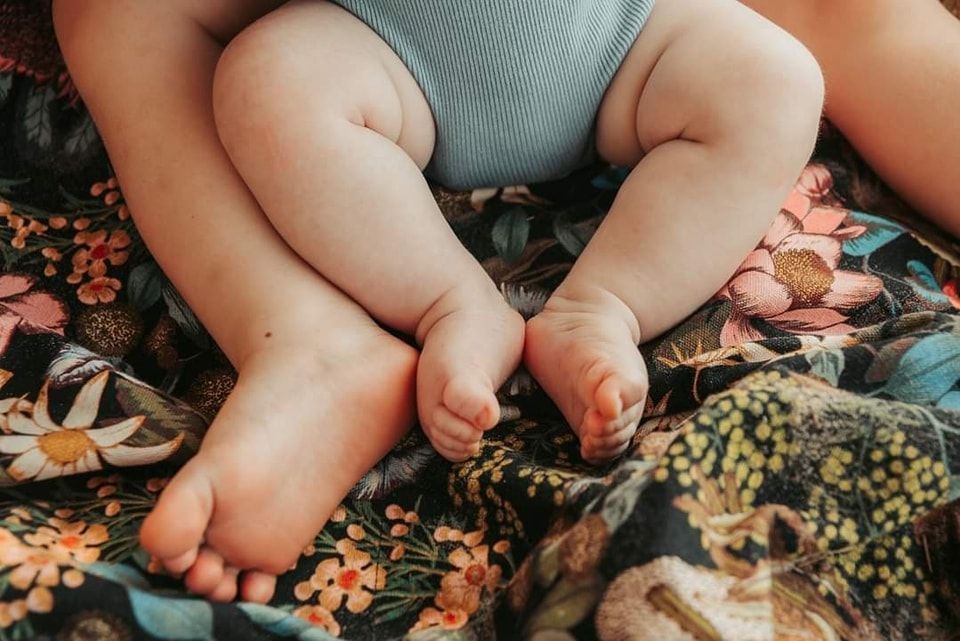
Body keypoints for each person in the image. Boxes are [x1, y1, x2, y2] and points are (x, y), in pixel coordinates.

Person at [51, 0, 956, 605]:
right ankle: (341, 332)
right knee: (214, 53)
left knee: (776, 76)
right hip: (378, 47)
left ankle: (599, 308)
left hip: (629, 37)